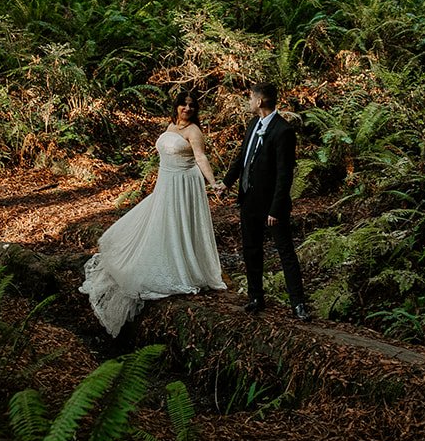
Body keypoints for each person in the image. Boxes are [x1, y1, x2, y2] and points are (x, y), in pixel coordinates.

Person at [80, 90, 227, 337]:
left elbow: (201, 158)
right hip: (166, 182)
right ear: (177, 106)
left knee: (177, 224)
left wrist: (213, 183)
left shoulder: (194, 131)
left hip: (184, 184)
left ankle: (182, 267)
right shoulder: (171, 125)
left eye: (192, 106)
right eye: (184, 104)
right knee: (158, 223)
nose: (187, 109)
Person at [222, 81, 309, 321]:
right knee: (251, 250)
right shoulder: (253, 125)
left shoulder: (283, 131)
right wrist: (227, 183)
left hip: (272, 206)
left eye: (251, 98)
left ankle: (298, 304)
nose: (249, 102)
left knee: (285, 253)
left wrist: (276, 208)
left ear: (259, 101)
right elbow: (242, 158)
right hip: (249, 200)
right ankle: (256, 297)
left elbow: (285, 174)